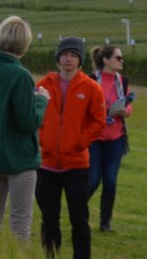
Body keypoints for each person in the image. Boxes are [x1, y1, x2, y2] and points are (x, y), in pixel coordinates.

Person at [0, 16, 49, 242]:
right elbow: (29, 121)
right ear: (24, 44)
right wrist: (42, 101)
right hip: (19, 159)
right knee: (19, 225)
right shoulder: (20, 75)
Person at [34, 36, 106, 259]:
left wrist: (78, 142)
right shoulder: (42, 85)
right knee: (49, 218)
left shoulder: (92, 88)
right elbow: (33, 116)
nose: (68, 59)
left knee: (79, 220)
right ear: (57, 58)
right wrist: (42, 139)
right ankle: (50, 255)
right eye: (65, 54)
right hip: (46, 164)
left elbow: (98, 121)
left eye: (74, 55)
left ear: (80, 60)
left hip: (76, 164)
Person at [87, 44, 132, 233]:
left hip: (116, 138)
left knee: (111, 181)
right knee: (93, 180)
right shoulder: (90, 80)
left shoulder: (123, 81)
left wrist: (125, 111)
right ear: (105, 60)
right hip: (95, 138)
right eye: (118, 58)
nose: (121, 61)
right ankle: (79, 210)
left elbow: (129, 106)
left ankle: (105, 222)